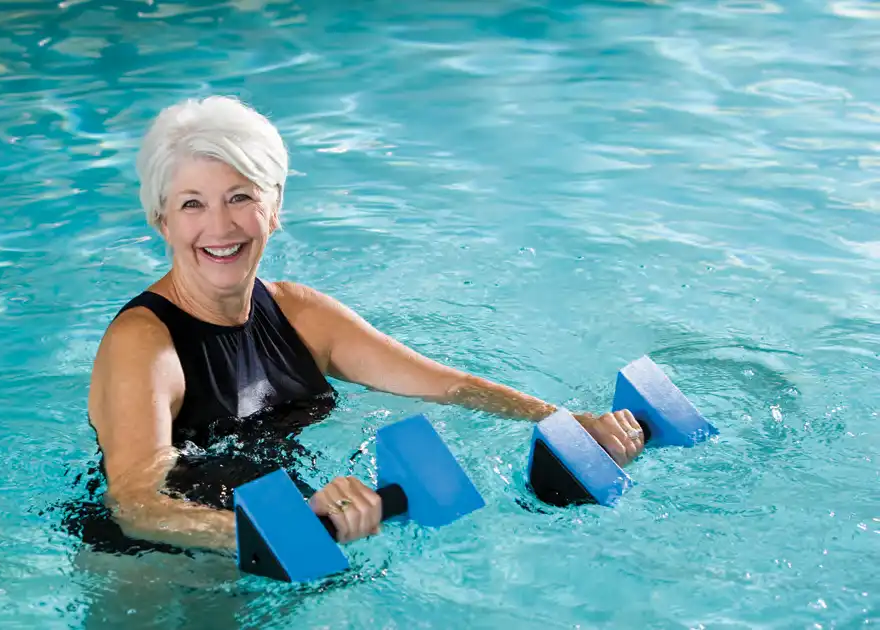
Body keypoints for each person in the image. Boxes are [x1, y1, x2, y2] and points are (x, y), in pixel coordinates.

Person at [86, 95, 644, 555]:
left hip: (288, 543)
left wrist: (571, 424)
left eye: (240, 198)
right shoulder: (144, 343)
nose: (220, 226)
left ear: (274, 207)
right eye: (191, 205)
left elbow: (446, 384)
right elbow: (136, 507)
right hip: (153, 565)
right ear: (160, 220)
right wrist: (276, 532)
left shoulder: (300, 314)